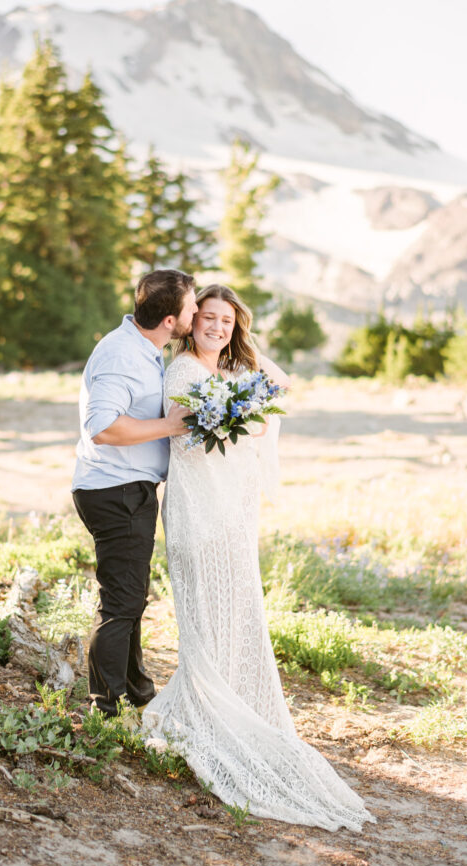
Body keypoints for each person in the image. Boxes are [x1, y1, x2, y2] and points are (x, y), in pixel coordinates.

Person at [142, 284, 374, 831]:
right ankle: (206, 713)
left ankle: (228, 706)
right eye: (208, 319)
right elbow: (186, 432)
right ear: (190, 321)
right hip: (198, 511)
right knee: (206, 614)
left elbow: (281, 382)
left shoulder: (230, 372)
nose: (217, 328)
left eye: (227, 321)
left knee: (238, 613)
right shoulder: (183, 374)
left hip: (235, 515)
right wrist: (222, 413)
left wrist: (240, 351)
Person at [72, 269, 198, 716]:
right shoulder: (122, 354)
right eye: (191, 306)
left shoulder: (143, 349)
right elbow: (103, 428)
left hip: (126, 488)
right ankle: (103, 708)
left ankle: (137, 688)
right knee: (120, 603)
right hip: (115, 490)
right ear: (169, 319)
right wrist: (170, 425)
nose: (197, 312)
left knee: (130, 597)